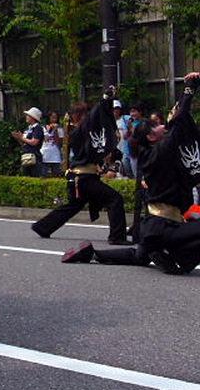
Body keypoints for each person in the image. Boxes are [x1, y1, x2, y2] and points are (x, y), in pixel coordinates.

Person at [62, 73, 200, 274]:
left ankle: (92, 254)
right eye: (158, 125)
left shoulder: (150, 154)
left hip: (154, 227)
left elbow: (176, 122)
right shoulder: (161, 151)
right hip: (164, 227)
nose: (163, 126)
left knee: (139, 256)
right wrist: (190, 88)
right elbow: (179, 120)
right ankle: (174, 259)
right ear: (152, 136)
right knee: (184, 257)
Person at [31, 87, 128, 244]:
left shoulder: (83, 131)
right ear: (79, 116)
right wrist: (105, 98)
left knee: (74, 205)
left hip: (82, 177)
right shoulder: (79, 131)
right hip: (84, 178)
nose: (89, 116)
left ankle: (43, 227)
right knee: (115, 199)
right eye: (85, 113)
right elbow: (95, 117)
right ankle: (117, 237)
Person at [12, 107, 45, 177]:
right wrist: (18, 138)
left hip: (34, 156)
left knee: (34, 177)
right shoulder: (28, 128)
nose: (26, 117)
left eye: (28, 115)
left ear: (33, 117)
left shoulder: (38, 128)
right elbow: (24, 144)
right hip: (26, 156)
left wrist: (22, 138)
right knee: (25, 177)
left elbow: (34, 142)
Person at [41, 110, 64, 177]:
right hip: (45, 155)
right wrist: (49, 130)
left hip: (55, 155)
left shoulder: (60, 128)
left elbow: (60, 142)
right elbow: (44, 139)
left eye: (55, 117)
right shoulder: (43, 128)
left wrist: (56, 131)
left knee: (56, 175)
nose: (54, 119)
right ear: (49, 118)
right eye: (52, 117)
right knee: (44, 176)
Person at [113, 100, 132, 177]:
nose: (115, 110)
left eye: (117, 108)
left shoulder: (126, 118)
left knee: (128, 170)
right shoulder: (109, 122)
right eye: (113, 108)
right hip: (115, 152)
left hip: (126, 150)